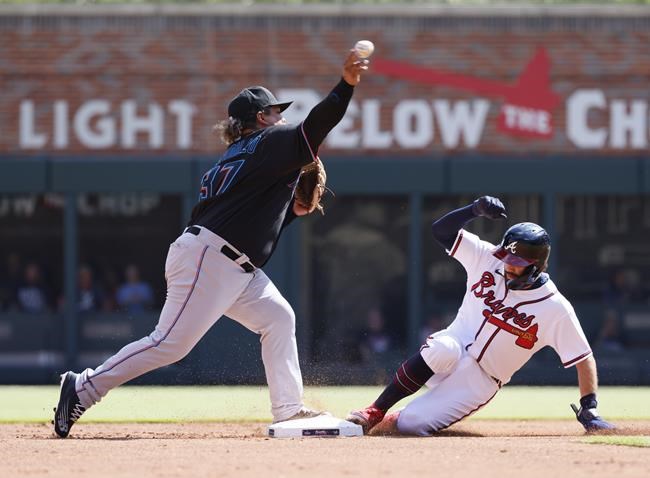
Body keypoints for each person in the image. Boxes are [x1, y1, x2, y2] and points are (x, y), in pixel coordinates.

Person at [53, 48, 369, 438]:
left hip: (229, 262)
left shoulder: (238, 156)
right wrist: (346, 86)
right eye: (276, 111)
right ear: (261, 118)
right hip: (212, 257)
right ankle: (83, 387)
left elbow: (268, 214)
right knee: (169, 344)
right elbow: (317, 126)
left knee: (278, 318)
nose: (281, 117)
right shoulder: (268, 144)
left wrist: (294, 206)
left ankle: (288, 409)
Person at [347, 196, 614, 436]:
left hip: (481, 379)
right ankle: (376, 410)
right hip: (454, 345)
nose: (508, 265)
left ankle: (398, 418)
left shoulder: (555, 307)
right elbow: (441, 231)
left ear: (536, 266)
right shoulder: (487, 258)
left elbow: (583, 357)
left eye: (517, 264)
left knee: (412, 425)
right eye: (506, 258)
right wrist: (473, 210)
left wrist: (589, 407)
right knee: (442, 348)